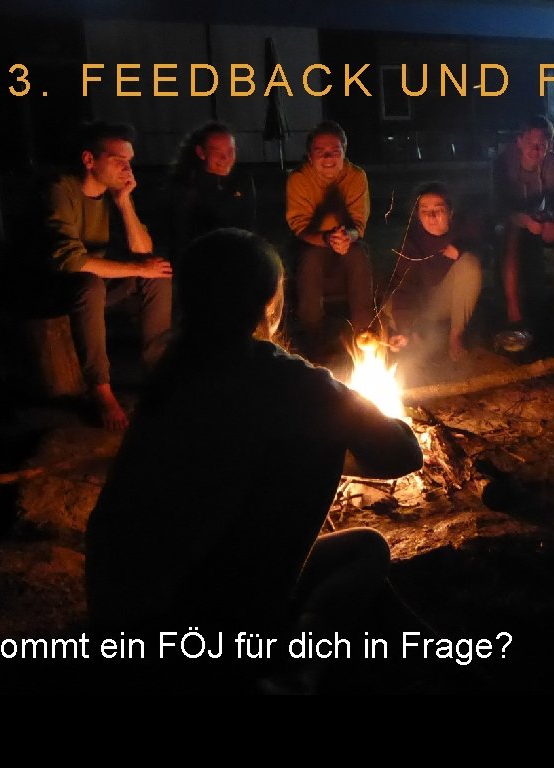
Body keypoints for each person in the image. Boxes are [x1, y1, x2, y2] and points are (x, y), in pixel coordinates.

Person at [85, 228, 423, 692]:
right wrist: (341, 433)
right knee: (348, 507)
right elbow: (403, 452)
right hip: (198, 628)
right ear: (269, 302)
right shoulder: (280, 377)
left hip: (119, 616)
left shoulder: (174, 369)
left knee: (350, 533)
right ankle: (294, 673)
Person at [6, 121, 172, 430]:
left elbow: (143, 250)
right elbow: (69, 260)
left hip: (88, 289)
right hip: (47, 291)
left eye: (130, 161)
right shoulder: (59, 190)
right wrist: (137, 268)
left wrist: (124, 202)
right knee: (91, 282)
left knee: (157, 274)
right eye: (118, 160)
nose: (127, 169)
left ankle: (158, 371)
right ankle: (101, 389)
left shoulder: (111, 194)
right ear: (89, 159)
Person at [285, 120, 376, 352]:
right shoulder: (299, 179)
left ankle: (365, 336)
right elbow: (300, 226)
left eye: (334, 151)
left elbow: (358, 224)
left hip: (347, 243)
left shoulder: (356, 177)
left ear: (344, 152)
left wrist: (347, 237)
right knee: (311, 259)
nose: (327, 158)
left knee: (358, 257)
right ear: (310, 156)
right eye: (320, 152)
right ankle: (313, 336)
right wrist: (327, 239)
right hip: (312, 243)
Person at [384, 182, 483, 362]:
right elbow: (403, 285)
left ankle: (455, 336)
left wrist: (462, 248)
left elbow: (486, 249)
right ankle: (414, 335)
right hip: (421, 304)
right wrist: (407, 330)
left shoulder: (463, 228)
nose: (431, 216)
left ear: (450, 212)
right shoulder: (412, 240)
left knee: (470, 263)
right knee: (387, 304)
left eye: (438, 209)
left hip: (449, 300)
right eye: (424, 211)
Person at [493, 114, 554, 330]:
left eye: (542, 145)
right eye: (531, 143)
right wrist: (524, 220)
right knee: (512, 233)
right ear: (520, 141)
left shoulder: (551, 162)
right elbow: (500, 206)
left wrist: (549, 217)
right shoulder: (504, 162)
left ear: (549, 145)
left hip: (538, 217)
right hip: (510, 218)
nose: (536, 150)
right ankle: (513, 310)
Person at [167, 121, 258, 263]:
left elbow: (248, 223)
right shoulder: (185, 186)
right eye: (217, 152)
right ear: (201, 153)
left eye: (230, 151)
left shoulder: (242, 179)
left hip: (238, 254)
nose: (225, 158)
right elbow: (181, 236)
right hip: (202, 258)